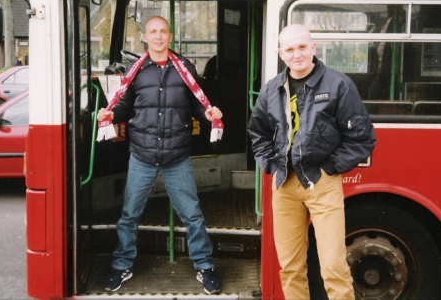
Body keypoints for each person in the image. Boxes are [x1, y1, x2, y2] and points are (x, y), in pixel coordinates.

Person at [247, 24, 376, 299]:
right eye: (290, 49)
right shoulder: (271, 90)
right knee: (290, 267)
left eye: (302, 47)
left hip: (322, 183)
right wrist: (270, 165)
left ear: (313, 48)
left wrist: (330, 168)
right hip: (284, 185)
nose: (297, 55)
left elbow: (362, 138)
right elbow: (257, 132)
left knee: (333, 266)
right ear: (281, 53)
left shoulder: (338, 84)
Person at [97, 16, 222, 294]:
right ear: (145, 37)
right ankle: (122, 265)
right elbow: (125, 106)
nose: (157, 36)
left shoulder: (185, 69)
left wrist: (210, 114)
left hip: (176, 155)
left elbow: (197, 103)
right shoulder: (136, 70)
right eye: (152, 32)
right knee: (129, 214)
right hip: (141, 154)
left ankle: (204, 265)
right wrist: (111, 114)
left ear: (170, 36)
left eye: (162, 31)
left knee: (192, 215)